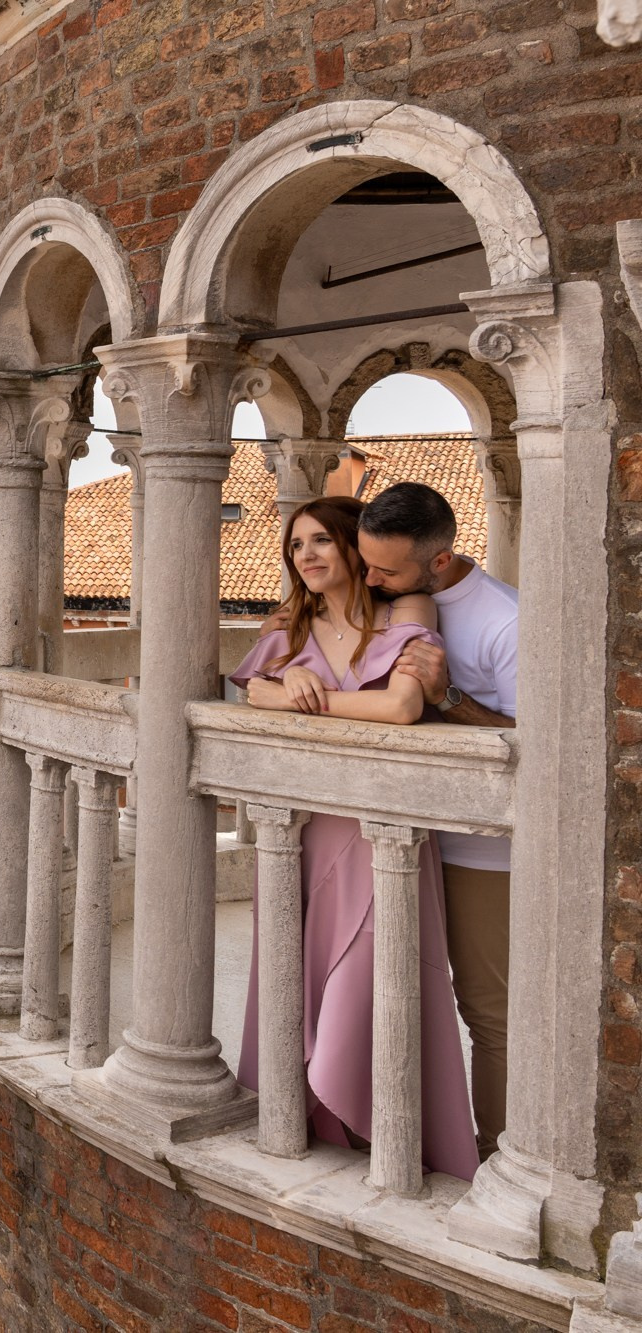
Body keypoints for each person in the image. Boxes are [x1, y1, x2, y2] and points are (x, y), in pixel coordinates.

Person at [231, 495, 478, 1179]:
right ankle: (313, 1129)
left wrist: (305, 699)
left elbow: (402, 706)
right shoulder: (290, 626)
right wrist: (287, 679)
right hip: (307, 830)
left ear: (352, 547)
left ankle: (389, 1141)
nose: (305, 555)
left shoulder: (408, 611)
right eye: (296, 544)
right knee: (298, 973)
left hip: (382, 833)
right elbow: (253, 692)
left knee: (377, 976)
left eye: (320, 540)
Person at [358, 480, 517, 1161]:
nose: (371, 579)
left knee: (488, 1011)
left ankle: (499, 1159)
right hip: (394, 839)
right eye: (366, 563)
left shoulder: (506, 622)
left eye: (387, 571)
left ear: (441, 560)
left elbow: (536, 745)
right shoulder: (381, 601)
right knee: (392, 999)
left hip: (480, 855)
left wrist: (448, 695)